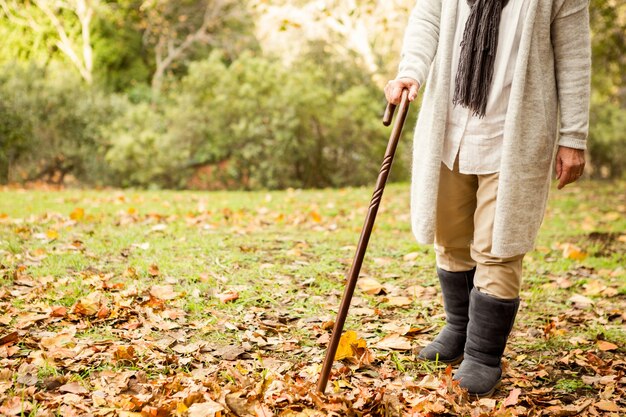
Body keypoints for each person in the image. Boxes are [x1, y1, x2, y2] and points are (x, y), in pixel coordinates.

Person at [384, 0, 590, 397]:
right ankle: (458, 329)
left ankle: (482, 355)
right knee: (451, 235)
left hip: (515, 132)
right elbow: (428, 17)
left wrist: (573, 136)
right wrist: (410, 71)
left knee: (499, 245)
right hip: (450, 126)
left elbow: (574, 56)